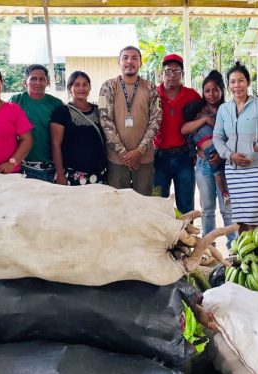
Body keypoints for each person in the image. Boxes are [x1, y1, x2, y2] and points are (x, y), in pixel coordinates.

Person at [213, 62, 258, 232]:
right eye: (232, 82)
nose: (236, 85)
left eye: (241, 81)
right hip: (233, 170)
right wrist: (229, 155)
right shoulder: (224, 109)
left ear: (248, 82)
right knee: (239, 218)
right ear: (228, 84)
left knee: (254, 216)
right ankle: (245, 255)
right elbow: (217, 137)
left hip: (257, 168)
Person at [181, 70, 237, 245]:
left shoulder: (229, 109)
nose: (211, 94)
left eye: (215, 90)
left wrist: (222, 156)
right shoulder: (197, 111)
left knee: (227, 209)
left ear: (222, 90)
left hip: (225, 163)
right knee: (207, 209)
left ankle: (233, 247)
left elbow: (236, 137)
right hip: (203, 166)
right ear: (203, 92)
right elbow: (184, 129)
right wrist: (205, 120)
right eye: (207, 90)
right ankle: (207, 248)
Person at [98, 46, 162, 196]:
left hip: (144, 158)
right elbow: (105, 120)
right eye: (125, 57)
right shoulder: (108, 87)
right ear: (118, 62)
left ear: (140, 63)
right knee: (119, 204)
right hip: (117, 159)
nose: (129, 61)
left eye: (134, 58)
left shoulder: (151, 88)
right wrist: (123, 153)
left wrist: (139, 151)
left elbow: (156, 119)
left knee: (144, 203)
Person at [153, 54, 201, 213]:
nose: (172, 75)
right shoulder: (152, 94)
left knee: (186, 205)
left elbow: (202, 118)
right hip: (158, 157)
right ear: (161, 74)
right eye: (168, 71)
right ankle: (163, 239)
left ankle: (186, 238)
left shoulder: (192, 95)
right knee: (159, 204)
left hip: (184, 157)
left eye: (176, 71)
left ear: (182, 74)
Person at [50, 71, 107, 185]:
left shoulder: (99, 110)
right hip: (72, 174)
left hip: (99, 172)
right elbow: (55, 145)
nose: (82, 88)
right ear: (70, 88)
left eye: (85, 84)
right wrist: (60, 174)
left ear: (90, 87)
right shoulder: (61, 112)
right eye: (77, 85)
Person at [10, 65, 64, 182]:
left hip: (50, 168)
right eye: (33, 78)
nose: (38, 82)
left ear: (47, 82)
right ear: (25, 82)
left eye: (42, 79)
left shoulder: (57, 104)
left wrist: (60, 172)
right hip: (21, 167)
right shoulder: (15, 100)